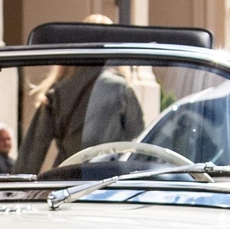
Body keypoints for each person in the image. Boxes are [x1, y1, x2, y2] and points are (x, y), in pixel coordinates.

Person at [19, 15, 143, 173]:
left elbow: (31, 154)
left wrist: (15, 192)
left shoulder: (57, 92)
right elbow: (139, 141)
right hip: (109, 181)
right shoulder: (120, 88)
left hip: (66, 181)